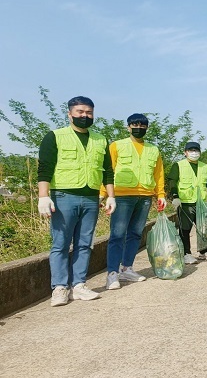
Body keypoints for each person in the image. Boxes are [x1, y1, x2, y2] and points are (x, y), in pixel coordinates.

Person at [38, 96, 116, 307]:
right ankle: (60, 288)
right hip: (64, 196)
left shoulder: (101, 139)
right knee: (61, 243)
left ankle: (79, 285)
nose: (84, 116)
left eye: (88, 112)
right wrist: (43, 196)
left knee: (85, 243)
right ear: (70, 113)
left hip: (91, 197)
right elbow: (44, 168)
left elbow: (108, 171)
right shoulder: (55, 136)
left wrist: (111, 196)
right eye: (80, 112)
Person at [103, 113, 166, 290]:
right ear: (128, 127)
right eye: (135, 125)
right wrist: (106, 195)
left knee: (136, 234)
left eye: (142, 125)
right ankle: (112, 273)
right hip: (122, 196)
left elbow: (158, 173)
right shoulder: (117, 146)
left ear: (147, 128)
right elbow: (107, 170)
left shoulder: (154, 150)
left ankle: (127, 268)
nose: (138, 128)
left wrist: (160, 194)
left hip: (145, 195)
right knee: (117, 235)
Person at [167, 141, 207, 264]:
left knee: (203, 228)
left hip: (201, 202)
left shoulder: (205, 166)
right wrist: (175, 196)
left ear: (200, 152)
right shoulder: (178, 165)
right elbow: (172, 181)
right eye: (191, 150)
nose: (194, 153)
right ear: (185, 152)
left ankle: (204, 251)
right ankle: (186, 253)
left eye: (196, 150)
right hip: (185, 202)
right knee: (185, 229)